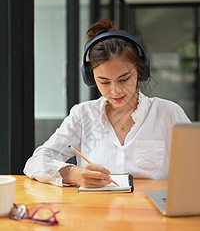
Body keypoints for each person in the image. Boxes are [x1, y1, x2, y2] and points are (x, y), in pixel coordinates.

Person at [24, 18, 190, 187]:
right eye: (104, 82)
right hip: (98, 211)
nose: (115, 90)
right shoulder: (83, 115)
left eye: (124, 79)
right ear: (90, 78)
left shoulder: (169, 113)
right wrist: (73, 174)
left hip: (153, 211)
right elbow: (35, 162)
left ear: (140, 71)